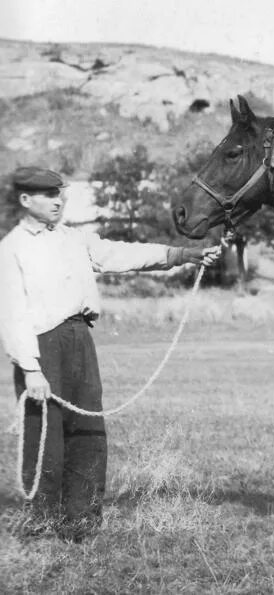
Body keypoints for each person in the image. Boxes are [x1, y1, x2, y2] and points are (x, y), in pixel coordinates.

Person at [0, 166, 221, 542]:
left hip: (80, 338)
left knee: (88, 431)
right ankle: (41, 525)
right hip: (41, 347)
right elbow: (11, 313)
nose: (59, 201)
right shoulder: (11, 249)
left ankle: (81, 522)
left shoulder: (75, 239)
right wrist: (30, 368)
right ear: (26, 200)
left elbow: (121, 254)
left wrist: (184, 255)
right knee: (45, 436)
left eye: (61, 194)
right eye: (50, 195)